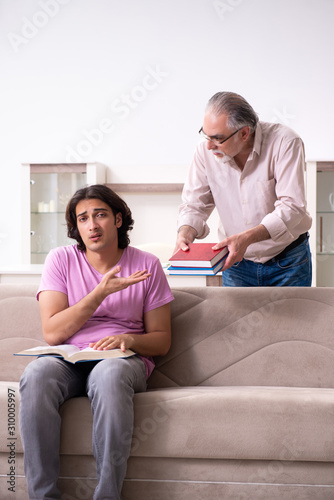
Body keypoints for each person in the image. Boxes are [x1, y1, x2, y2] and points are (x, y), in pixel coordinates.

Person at [19, 184, 174, 500]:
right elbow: (53, 332)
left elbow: (161, 341)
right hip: (70, 356)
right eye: (83, 218)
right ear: (76, 227)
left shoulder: (147, 265)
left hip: (121, 357)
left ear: (118, 219)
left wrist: (129, 338)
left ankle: (107, 495)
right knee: (35, 375)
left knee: (109, 375)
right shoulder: (60, 260)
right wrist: (100, 292)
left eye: (100, 214)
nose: (92, 225)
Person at [175, 91, 312, 287]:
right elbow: (194, 204)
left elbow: (292, 206)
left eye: (217, 138)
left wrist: (247, 238)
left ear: (244, 133)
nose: (208, 145)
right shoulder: (204, 152)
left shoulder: (285, 142)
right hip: (236, 263)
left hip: (287, 260)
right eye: (205, 135)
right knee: (237, 319)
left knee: (293, 318)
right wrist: (185, 232)